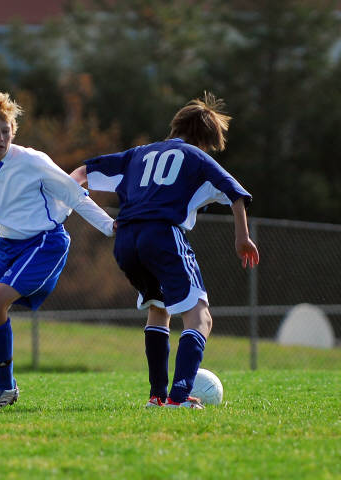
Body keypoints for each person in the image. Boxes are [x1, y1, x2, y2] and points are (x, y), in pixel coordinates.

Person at [71, 92, 259, 409]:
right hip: (162, 235)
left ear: (176, 127)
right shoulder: (196, 157)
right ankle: (179, 397)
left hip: (126, 239)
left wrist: (69, 200)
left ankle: (157, 397)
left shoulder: (138, 154)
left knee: (159, 308)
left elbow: (81, 173)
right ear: (205, 140)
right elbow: (236, 193)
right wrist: (243, 237)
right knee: (200, 317)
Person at [0, 87, 116, 410]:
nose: (0, 137)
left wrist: (110, 225)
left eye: (6, 131)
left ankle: (5, 386)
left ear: (13, 131)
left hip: (45, 243)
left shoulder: (31, 161)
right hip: (8, 249)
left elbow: (74, 194)